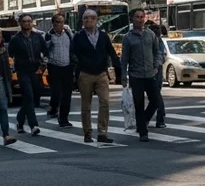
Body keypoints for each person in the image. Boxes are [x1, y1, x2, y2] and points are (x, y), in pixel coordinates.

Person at [71, 9, 122, 144]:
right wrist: (79, 66)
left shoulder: (104, 36)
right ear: (83, 21)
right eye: (86, 18)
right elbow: (72, 53)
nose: (89, 21)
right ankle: (87, 133)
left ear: (97, 20)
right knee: (86, 105)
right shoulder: (78, 36)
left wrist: (119, 70)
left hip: (101, 73)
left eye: (92, 18)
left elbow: (111, 52)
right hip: (85, 73)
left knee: (105, 102)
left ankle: (102, 132)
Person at [121, 9, 165, 143]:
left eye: (142, 17)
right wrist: (123, 76)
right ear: (132, 19)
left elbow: (158, 52)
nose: (140, 19)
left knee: (156, 101)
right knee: (138, 104)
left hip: (150, 74)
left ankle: (144, 121)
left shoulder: (150, 34)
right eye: (137, 17)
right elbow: (124, 58)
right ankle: (143, 132)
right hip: (136, 75)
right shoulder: (128, 37)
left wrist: (156, 65)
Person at [8, 14, 45, 136]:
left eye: (29, 21)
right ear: (20, 23)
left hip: (35, 71)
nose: (27, 23)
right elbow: (10, 55)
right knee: (28, 95)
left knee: (32, 98)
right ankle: (33, 125)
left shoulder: (38, 37)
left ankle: (19, 121)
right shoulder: (15, 39)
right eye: (24, 21)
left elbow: (45, 51)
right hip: (22, 71)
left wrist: (43, 64)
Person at [45, 14, 75, 128]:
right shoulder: (49, 35)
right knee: (57, 92)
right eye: (58, 22)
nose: (60, 24)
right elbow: (45, 50)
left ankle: (63, 118)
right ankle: (53, 107)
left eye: (62, 22)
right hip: (54, 67)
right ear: (53, 23)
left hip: (67, 67)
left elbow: (73, 46)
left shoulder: (68, 33)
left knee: (67, 94)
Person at [146, 20, 168, 129]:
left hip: (154, 71)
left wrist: (154, 66)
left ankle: (157, 119)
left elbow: (161, 56)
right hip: (151, 70)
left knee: (155, 96)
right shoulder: (158, 41)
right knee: (155, 96)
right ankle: (158, 119)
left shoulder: (157, 41)